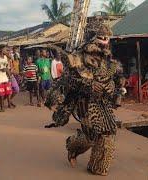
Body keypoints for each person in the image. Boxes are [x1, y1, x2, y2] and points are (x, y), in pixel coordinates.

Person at [44, 23, 118, 176]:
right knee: (91, 135)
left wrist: (112, 86)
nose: (105, 41)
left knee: (109, 132)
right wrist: (89, 84)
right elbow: (69, 80)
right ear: (92, 38)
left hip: (103, 102)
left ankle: (98, 167)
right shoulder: (76, 58)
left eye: (107, 38)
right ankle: (72, 146)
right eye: (101, 38)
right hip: (85, 101)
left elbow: (113, 78)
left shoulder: (108, 60)